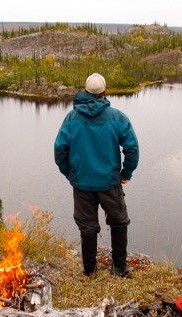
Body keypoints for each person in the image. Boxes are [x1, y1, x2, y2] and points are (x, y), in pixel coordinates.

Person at [54, 73, 139, 278]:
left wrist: (71, 173)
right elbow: (132, 148)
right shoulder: (117, 117)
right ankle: (119, 268)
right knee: (119, 222)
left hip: (82, 184)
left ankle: (89, 271)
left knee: (87, 227)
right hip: (110, 183)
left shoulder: (72, 118)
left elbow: (59, 150)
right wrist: (125, 173)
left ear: (85, 91)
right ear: (105, 93)